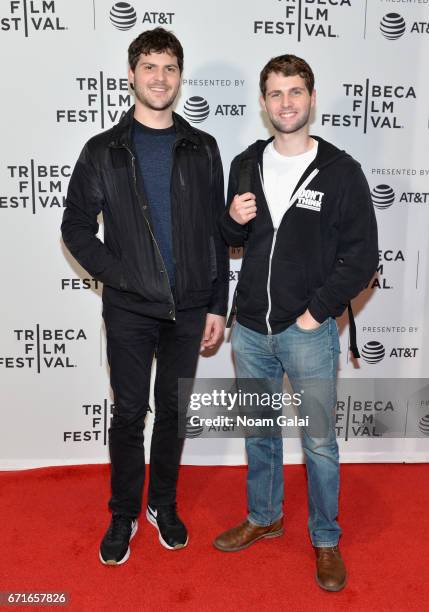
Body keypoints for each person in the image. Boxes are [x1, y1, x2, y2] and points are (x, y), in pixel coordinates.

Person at [61, 27, 228, 565]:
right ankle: (123, 512)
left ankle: (163, 504)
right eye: (150, 67)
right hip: (130, 309)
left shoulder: (203, 147)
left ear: (180, 78)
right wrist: (124, 276)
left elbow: (214, 234)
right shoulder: (103, 150)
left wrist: (217, 305)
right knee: (130, 413)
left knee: (174, 413)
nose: (160, 77)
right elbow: (77, 228)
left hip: (189, 307)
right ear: (131, 75)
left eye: (170, 68)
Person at [214, 54, 378, 592]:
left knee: (319, 443)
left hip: (306, 332)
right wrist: (229, 221)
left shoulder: (341, 171)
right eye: (276, 93)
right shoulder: (245, 162)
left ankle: (325, 539)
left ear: (311, 98)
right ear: (263, 104)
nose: (286, 102)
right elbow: (232, 240)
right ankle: (264, 516)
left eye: (296, 92)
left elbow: (361, 258)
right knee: (259, 434)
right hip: (250, 332)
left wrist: (316, 312)